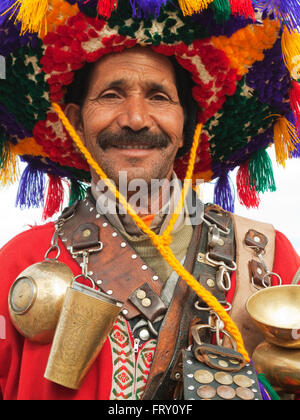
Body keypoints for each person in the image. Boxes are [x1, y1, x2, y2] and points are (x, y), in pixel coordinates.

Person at [0, 0, 299, 401]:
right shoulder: (18, 264)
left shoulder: (268, 262)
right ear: (74, 119)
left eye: (159, 97)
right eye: (111, 95)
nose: (136, 118)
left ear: (186, 125)